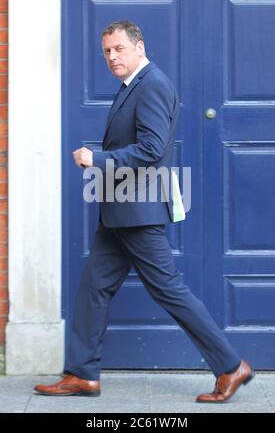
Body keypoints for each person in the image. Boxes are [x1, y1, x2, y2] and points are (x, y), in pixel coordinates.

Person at [35, 21, 254, 402]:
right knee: (94, 288)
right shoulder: (133, 85)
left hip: (138, 213)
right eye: (106, 51)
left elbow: (152, 150)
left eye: (119, 48)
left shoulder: (152, 84)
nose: (112, 57)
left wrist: (97, 159)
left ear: (139, 47)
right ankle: (82, 374)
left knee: (170, 290)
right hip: (119, 212)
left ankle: (231, 366)